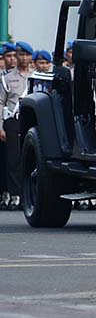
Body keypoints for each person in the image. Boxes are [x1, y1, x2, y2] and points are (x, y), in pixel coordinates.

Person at [0, 41, 35, 210]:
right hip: (13, 120)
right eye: (20, 54)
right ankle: (15, 195)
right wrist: (0, 126)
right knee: (13, 159)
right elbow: (1, 103)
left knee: (28, 158)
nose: (23, 58)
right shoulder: (8, 78)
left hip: (32, 121)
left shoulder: (36, 76)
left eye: (27, 55)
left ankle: (29, 192)